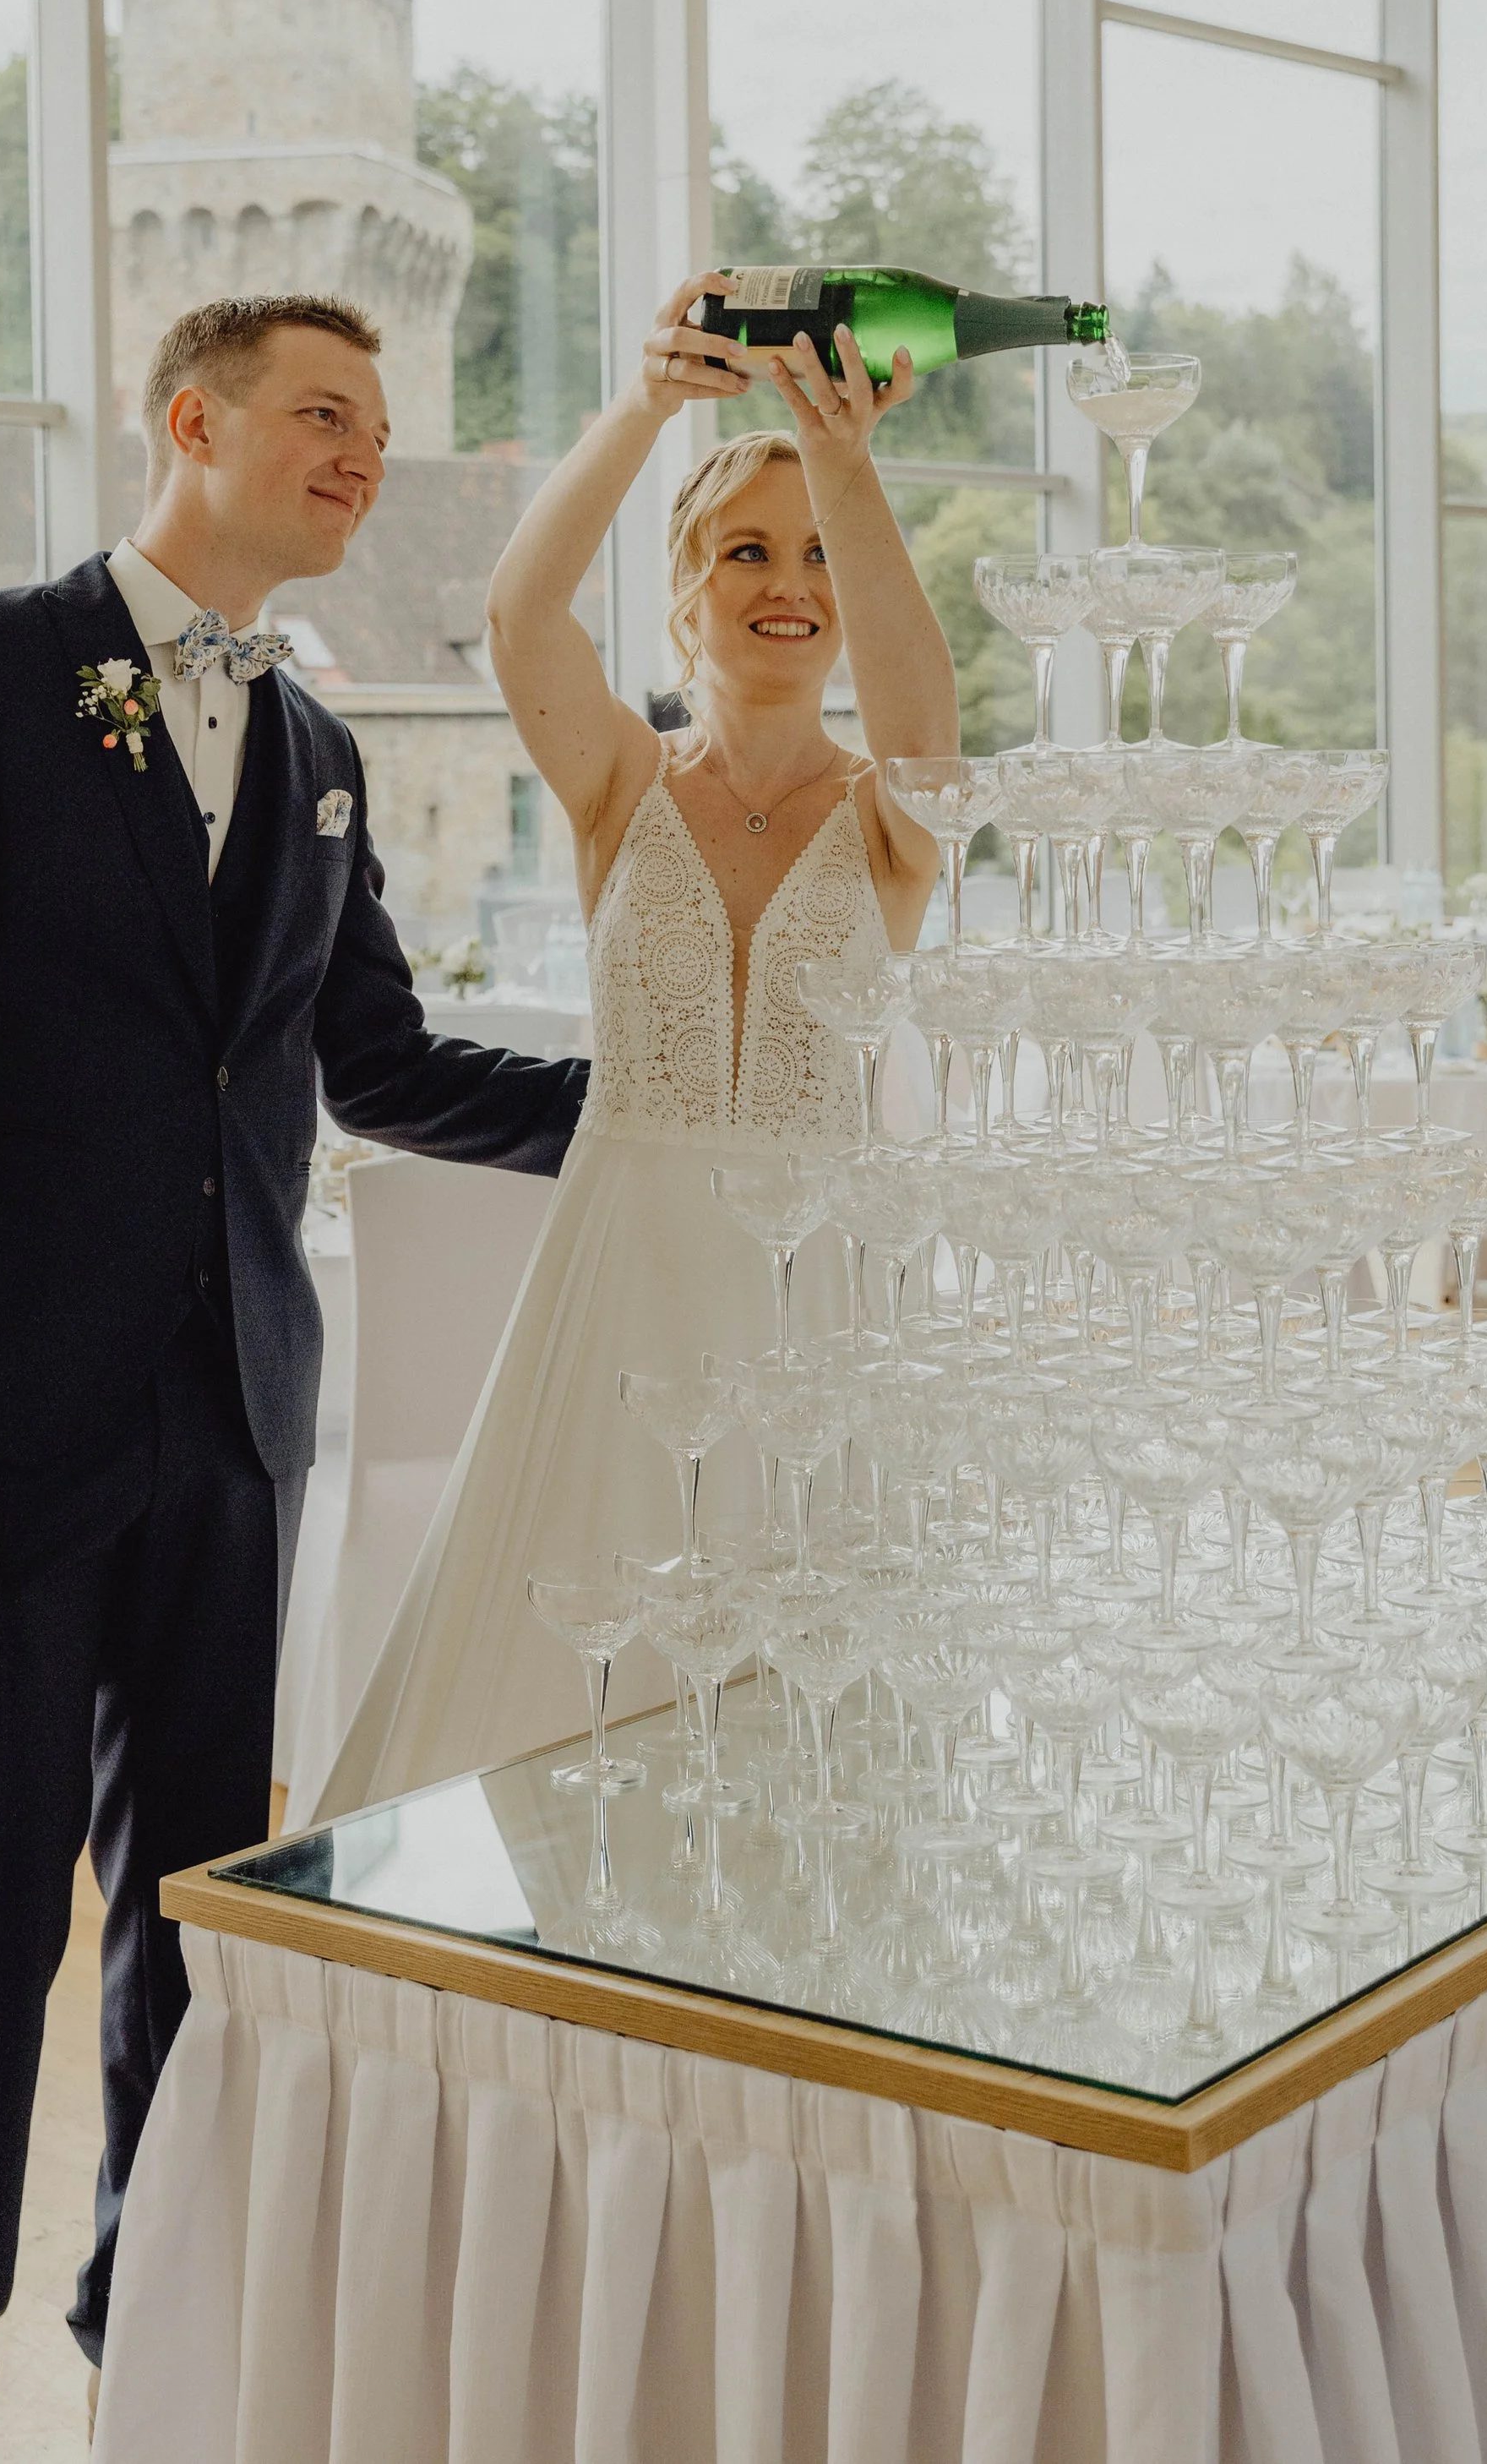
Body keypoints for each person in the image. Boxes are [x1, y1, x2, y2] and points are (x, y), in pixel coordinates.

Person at [0, 294, 586, 2464]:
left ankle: (153, 2312)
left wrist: (652, 1107)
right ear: (189, 421)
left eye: (378, 425)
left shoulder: (315, 747)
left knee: (197, 1909)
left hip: (233, 1418)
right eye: (321, 413)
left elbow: (374, 1064)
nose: (362, 453)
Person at [318, 271, 956, 1818]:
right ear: (687, 589)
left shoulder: (893, 818)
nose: (788, 583)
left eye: (816, 553)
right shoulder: (618, 782)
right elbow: (520, 615)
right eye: (748, 550)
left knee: (804, 1693)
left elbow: (927, 715)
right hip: (620, 1291)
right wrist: (647, 404)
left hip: (818, 1304)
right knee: (575, 1665)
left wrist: (846, 466)